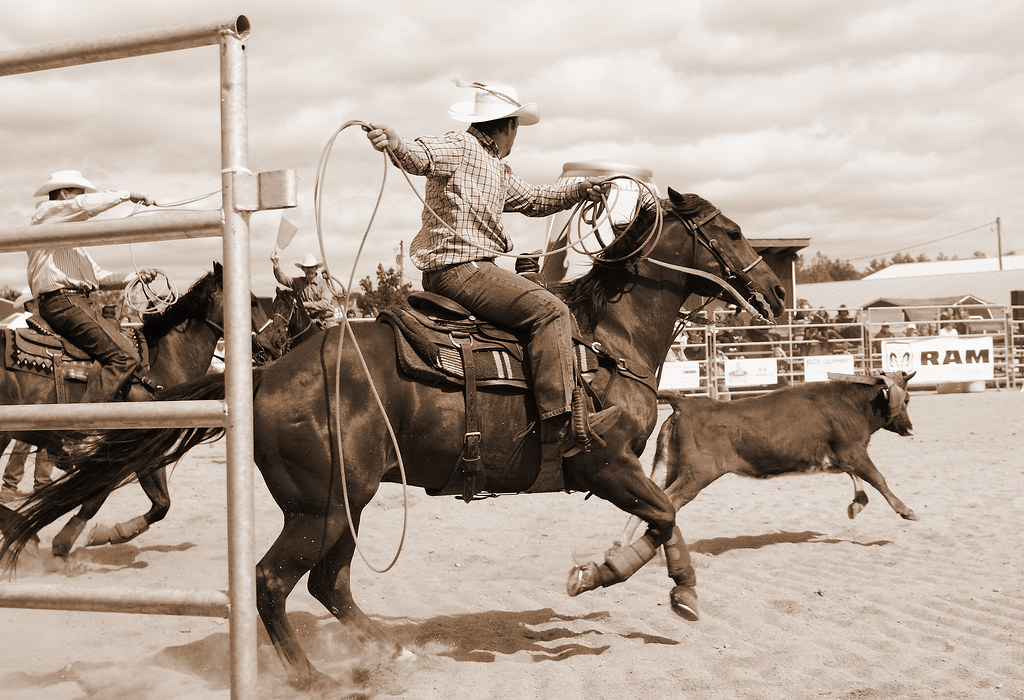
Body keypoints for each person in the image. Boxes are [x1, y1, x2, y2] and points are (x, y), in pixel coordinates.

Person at [365, 81, 621, 457]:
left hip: (461, 270)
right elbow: (419, 156)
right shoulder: (460, 145)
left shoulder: (496, 169)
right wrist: (396, 143)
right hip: (461, 270)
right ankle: (560, 422)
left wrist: (579, 189)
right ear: (509, 125)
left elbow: (534, 198)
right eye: (517, 127)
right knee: (552, 311)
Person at [28, 170, 159, 403]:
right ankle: (87, 419)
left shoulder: (71, 241)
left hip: (70, 302)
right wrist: (128, 194)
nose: (82, 198)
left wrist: (135, 277)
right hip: (64, 302)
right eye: (78, 193)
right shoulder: (46, 213)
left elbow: (97, 276)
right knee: (126, 356)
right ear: (64, 194)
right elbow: (83, 205)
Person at [271, 251, 338, 324]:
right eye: (307, 268)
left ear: (316, 268)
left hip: (327, 319)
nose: (309, 270)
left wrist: (303, 304)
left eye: (312, 267)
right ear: (303, 269)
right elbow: (282, 279)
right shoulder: (299, 282)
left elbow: (325, 304)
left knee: (332, 331)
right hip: (308, 320)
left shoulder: (324, 284)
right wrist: (276, 264)